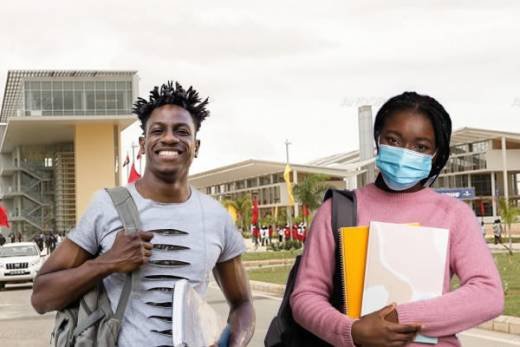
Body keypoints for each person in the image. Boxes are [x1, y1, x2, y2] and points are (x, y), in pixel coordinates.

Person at [31, 81, 255, 347]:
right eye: (158, 130)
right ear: (143, 144)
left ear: (196, 145)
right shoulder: (107, 206)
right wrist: (108, 262)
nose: (170, 138)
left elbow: (242, 304)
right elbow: (42, 297)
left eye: (181, 131)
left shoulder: (217, 217)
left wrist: (235, 343)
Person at [290, 92, 503, 347]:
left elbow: (488, 294)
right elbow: (305, 296)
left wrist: (398, 317)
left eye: (421, 146)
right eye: (393, 140)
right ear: (377, 140)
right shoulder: (337, 210)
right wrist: (352, 331)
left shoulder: (453, 214)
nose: (405, 153)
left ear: (436, 154)